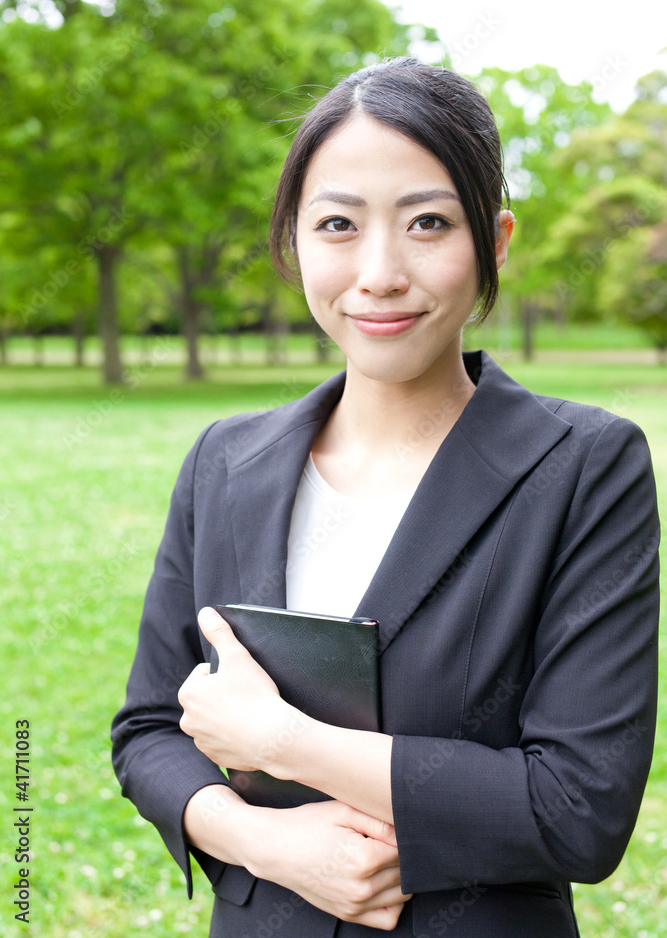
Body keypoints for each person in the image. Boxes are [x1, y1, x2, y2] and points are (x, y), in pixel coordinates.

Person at [111, 57, 660, 938]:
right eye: (336, 224)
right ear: (295, 241)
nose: (378, 272)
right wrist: (264, 840)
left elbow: (577, 808)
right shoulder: (224, 461)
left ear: (496, 241)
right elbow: (148, 730)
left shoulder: (583, 467)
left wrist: (284, 744)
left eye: (428, 223)